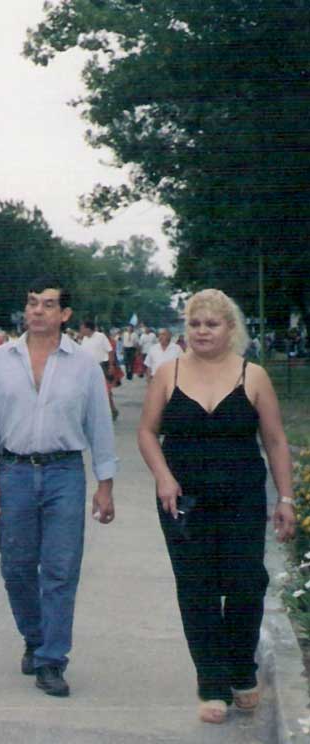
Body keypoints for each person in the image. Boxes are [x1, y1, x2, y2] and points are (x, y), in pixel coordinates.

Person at [137, 289, 296, 723]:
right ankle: (211, 683)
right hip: (183, 500)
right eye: (195, 324)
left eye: (212, 324)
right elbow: (148, 432)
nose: (202, 332)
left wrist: (285, 498)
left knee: (246, 582)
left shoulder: (254, 375)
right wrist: (164, 477)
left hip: (242, 496)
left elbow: (276, 440)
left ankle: (241, 670)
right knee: (198, 588)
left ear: (230, 329)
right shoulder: (167, 374)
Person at [0, 276, 117, 698]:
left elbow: (100, 426)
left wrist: (104, 484)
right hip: (16, 471)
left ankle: (52, 659)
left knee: (60, 569)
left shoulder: (84, 365)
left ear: (65, 314)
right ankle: (34, 637)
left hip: (64, 474)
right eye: (33, 302)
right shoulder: (1, 359)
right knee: (16, 567)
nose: (38, 310)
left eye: (49, 304)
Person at [78, 320, 118, 420]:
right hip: (87, 368)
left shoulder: (101, 337)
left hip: (101, 366)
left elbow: (110, 351)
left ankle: (112, 410)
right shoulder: (84, 339)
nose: (80, 330)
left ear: (87, 328)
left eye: (82, 328)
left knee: (105, 391)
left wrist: (111, 366)